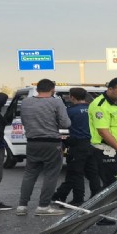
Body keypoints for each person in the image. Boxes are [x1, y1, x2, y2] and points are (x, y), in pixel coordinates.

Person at [16, 79, 71, 217]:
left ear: (37, 89)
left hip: (32, 142)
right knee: (51, 175)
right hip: (51, 142)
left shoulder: (26, 102)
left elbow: (24, 121)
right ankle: (43, 206)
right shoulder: (56, 102)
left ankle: (22, 206)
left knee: (29, 174)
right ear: (53, 90)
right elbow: (66, 123)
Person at [52, 88, 102, 206]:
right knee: (93, 173)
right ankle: (96, 196)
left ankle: (78, 199)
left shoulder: (70, 111)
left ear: (72, 97)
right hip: (93, 143)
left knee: (76, 173)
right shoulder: (93, 109)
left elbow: (62, 124)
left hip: (77, 144)